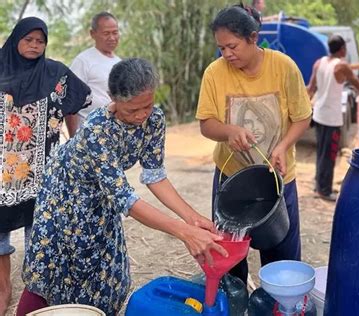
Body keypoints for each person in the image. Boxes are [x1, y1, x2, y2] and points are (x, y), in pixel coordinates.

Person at [17, 58, 227, 316]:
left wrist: (192, 218)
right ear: (113, 99)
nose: (140, 116)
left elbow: (154, 176)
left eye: (146, 106)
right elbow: (126, 200)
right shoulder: (98, 129)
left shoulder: (155, 120)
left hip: (102, 198)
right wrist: (183, 232)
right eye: (131, 110)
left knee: (105, 274)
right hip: (63, 198)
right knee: (52, 270)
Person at [196, 4, 312, 284]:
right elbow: (206, 124)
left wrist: (283, 146)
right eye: (221, 48)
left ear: (253, 37)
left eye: (232, 46)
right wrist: (228, 131)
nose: (227, 54)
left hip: (278, 178)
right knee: (228, 257)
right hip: (232, 180)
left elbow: (302, 117)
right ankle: (235, 302)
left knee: (281, 259)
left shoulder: (283, 67)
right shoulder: (215, 73)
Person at [0, 17, 91, 315]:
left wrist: (75, 141)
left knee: (39, 230)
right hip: (2, 172)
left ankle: (36, 292)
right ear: (16, 40)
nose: (35, 45)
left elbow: (73, 105)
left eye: (40, 41)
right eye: (29, 39)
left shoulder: (55, 73)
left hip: (43, 170)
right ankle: (2, 288)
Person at [307, 35, 359, 202]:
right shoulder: (342, 66)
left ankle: (319, 185)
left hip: (319, 113)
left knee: (321, 152)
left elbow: (311, 88)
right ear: (342, 49)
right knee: (329, 155)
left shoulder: (319, 62)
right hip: (331, 118)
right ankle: (325, 190)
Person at [70, 12, 121, 131]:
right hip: (90, 133)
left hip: (115, 133)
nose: (112, 38)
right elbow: (71, 100)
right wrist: (73, 138)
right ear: (93, 34)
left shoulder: (120, 63)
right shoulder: (83, 61)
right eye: (106, 33)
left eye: (115, 32)